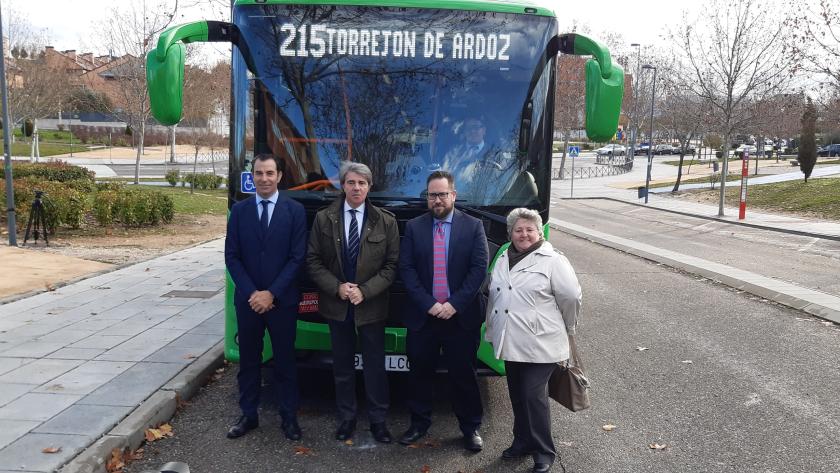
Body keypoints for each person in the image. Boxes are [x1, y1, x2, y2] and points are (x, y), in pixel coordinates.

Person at [306, 162, 400, 444]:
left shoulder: (386, 221)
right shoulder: (324, 219)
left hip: (371, 307)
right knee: (343, 367)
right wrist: (338, 288)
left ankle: (378, 421)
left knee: (375, 367)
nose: (356, 187)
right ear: (342, 185)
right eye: (351, 182)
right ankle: (346, 418)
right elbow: (312, 260)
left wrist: (365, 291)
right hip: (338, 305)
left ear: (370, 186)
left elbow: (392, 266)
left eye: (362, 183)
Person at [485, 208, 582, 473]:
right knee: (517, 394)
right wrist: (492, 333)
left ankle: (544, 451)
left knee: (532, 396)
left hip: (542, 344)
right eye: (518, 229)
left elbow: (571, 298)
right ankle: (523, 441)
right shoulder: (505, 256)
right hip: (512, 341)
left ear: (540, 232)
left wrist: (568, 328)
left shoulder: (553, 260)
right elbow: (495, 298)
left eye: (530, 229)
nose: (524, 234)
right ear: (510, 234)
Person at [398, 170, 489, 452]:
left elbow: (478, 271)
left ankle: (470, 427)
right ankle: (418, 423)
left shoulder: (474, 226)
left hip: (459, 317)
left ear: (453, 195)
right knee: (419, 374)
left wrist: (453, 305)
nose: (437, 200)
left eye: (442, 194)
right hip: (423, 316)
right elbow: (407, 269)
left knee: (463, 375)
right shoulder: (414, 227)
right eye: (432, 195)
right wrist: (429, 304)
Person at [224, 153, 307, 441]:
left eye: (270, 173)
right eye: (259, 173)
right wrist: (253, 293)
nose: (264, 179)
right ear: (253, 176)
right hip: (248, 302)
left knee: (285, 361)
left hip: (281, 301)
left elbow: (298, 258)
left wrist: (271, 293)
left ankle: (289, 417)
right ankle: (248, 414)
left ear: (280, 176)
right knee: (249, 361)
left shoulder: (295, 211)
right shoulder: (240, 211)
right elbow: (232, 257)